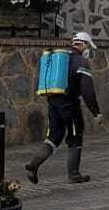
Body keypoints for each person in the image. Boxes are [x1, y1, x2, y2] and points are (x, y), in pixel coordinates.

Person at [24, 30, 102, 185]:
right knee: (75, 134)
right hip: (69, 105)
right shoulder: (80, 61)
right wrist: (96, 112)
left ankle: (33, 164)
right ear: (84, 45)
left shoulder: (62, 59)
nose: (88, 50)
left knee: (54, 136)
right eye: (88, 47)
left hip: (53, 101)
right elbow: (87, 91)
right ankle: (74, 175)